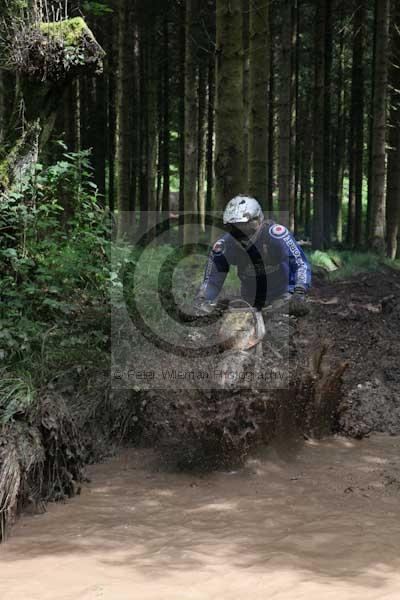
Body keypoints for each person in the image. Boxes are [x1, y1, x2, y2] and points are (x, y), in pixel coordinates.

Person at [195, 195, 311, 316]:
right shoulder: (224, 245)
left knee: (281, 323)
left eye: (245, 227)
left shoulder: (276, 235)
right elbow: (213, 279)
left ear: (259, 221)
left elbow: (300, 263)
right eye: (235, 227)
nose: (241, 233)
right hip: (250, 298)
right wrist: (202, 299)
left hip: (283, 293)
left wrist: (299, 291)